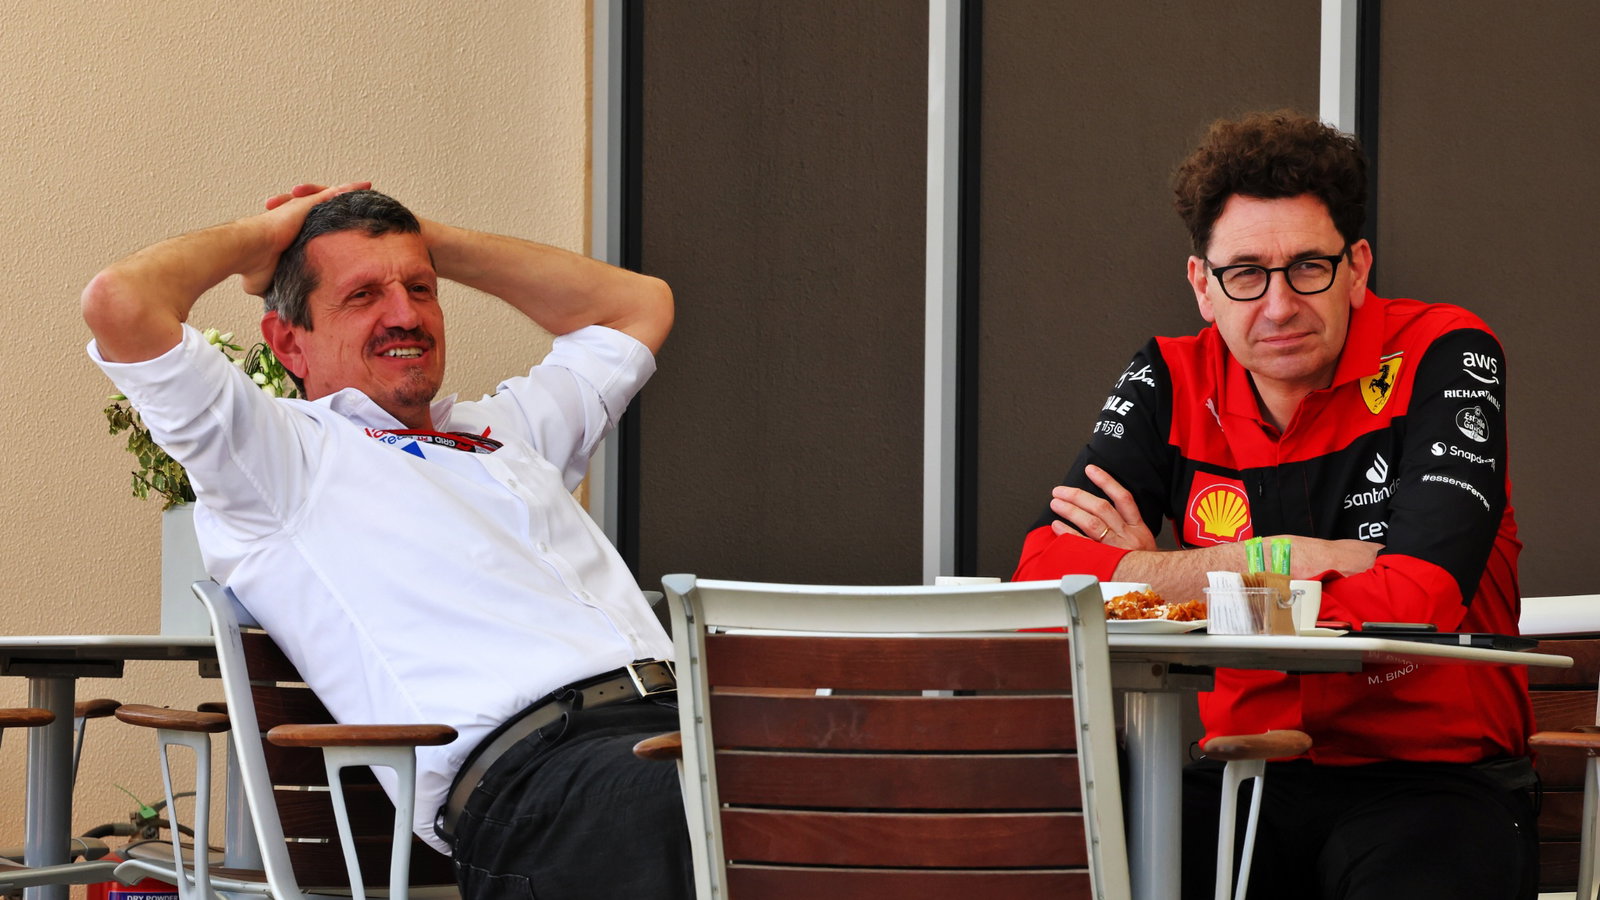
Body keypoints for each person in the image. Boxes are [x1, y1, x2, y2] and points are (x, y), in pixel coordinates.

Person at [82, 183, 691, 899]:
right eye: (364, 294)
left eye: (421, 288)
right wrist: (266, 236)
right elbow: (119, 302)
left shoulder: (509, 431)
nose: (405, 314)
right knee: (750, 815)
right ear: (288, 342)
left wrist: (424, 236)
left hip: (688, 727)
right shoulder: (279, 461)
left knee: (836, 769)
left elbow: (639, 305)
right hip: (549, 783)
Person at [1012, 112, 1536, 899]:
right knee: (1067, 863)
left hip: (1434, 785)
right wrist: (1273, 558)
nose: (1279, 305)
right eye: (1246, 273)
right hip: (1244, 777)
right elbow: (1042, 586)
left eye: (1309, 269)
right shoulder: (1169, 377)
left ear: (1357, 267)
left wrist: (1155, 579)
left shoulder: (1445, 352)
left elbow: (1419, 597)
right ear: (1202, 285)